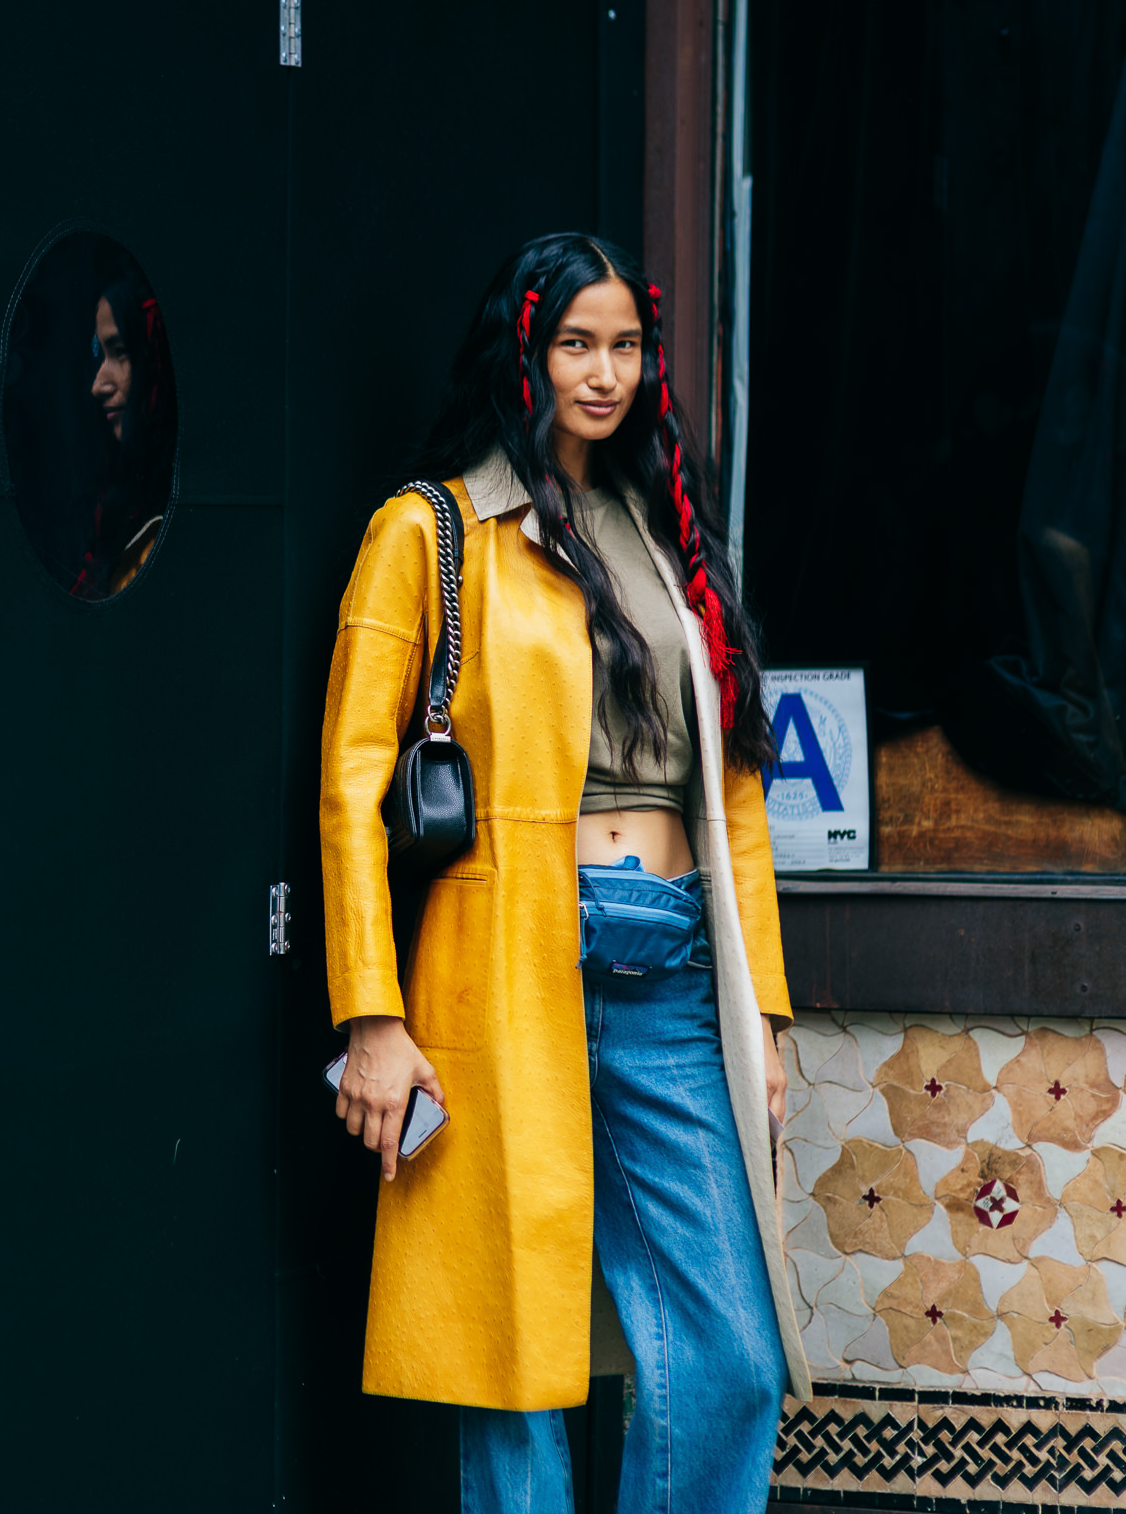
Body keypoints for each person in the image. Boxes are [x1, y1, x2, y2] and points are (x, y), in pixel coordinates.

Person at [319, 232, 807, 1513]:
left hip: (671, 975)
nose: (605, 373)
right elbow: (351, 790)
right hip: (502, 967)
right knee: (516, 1363)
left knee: (732, 1360)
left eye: (626, 346)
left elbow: (734, 793)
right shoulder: (432, 531)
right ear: (524, 351)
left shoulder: (661, 533)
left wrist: (762, 1010)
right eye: (576, 344)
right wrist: (372, 1016)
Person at [68, 271, 175, 599]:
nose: (98, 386)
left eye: (120, 352)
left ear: (153, 360)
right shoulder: (118, 498)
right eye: (101, 355)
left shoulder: (177, 506)